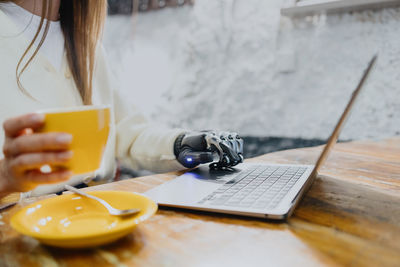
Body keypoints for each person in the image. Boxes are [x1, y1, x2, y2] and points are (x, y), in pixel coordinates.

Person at [0, 0, 243, 199]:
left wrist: (183, 144)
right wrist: (5, 178)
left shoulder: (87, 47)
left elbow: (128, 132)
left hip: (98, 213)